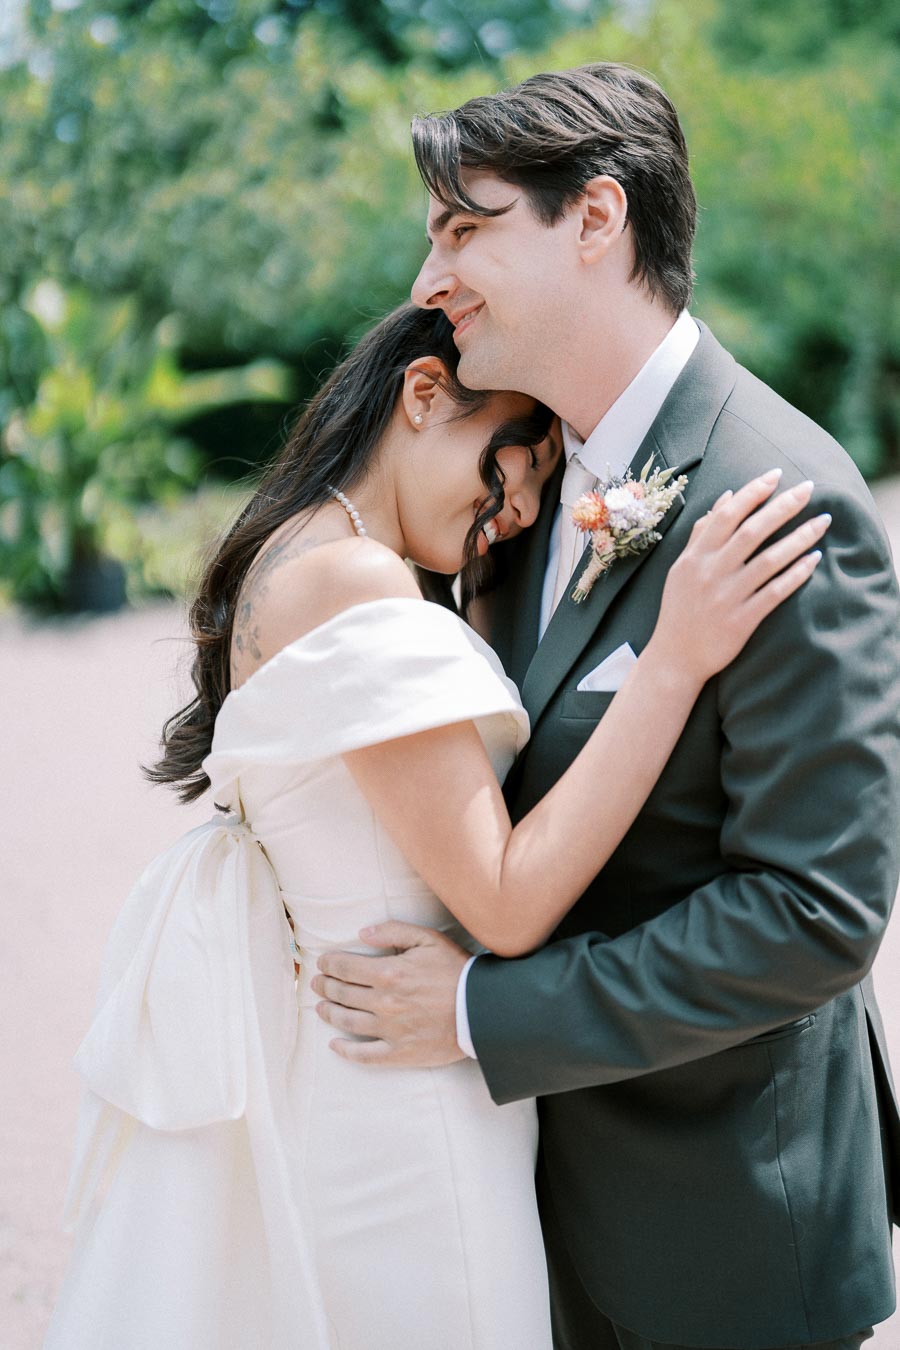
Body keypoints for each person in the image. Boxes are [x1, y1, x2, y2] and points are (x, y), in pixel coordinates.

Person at [45, 296, 821, 1350]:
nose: (518, 508)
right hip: (413, 1116)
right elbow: (504, 902)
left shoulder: (297, 555)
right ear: (421, 395)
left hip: (361, 1072)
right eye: (514, 462)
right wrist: (676, 658)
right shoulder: (357, 581)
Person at [313, 64, 900, 1350]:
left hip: (720, 1233)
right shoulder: (516, 481)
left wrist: (479, 1014)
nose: (428, 281)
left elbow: (814, 916)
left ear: (596, 219)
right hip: (534, 1212)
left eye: (465, 229)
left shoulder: (780, 499)